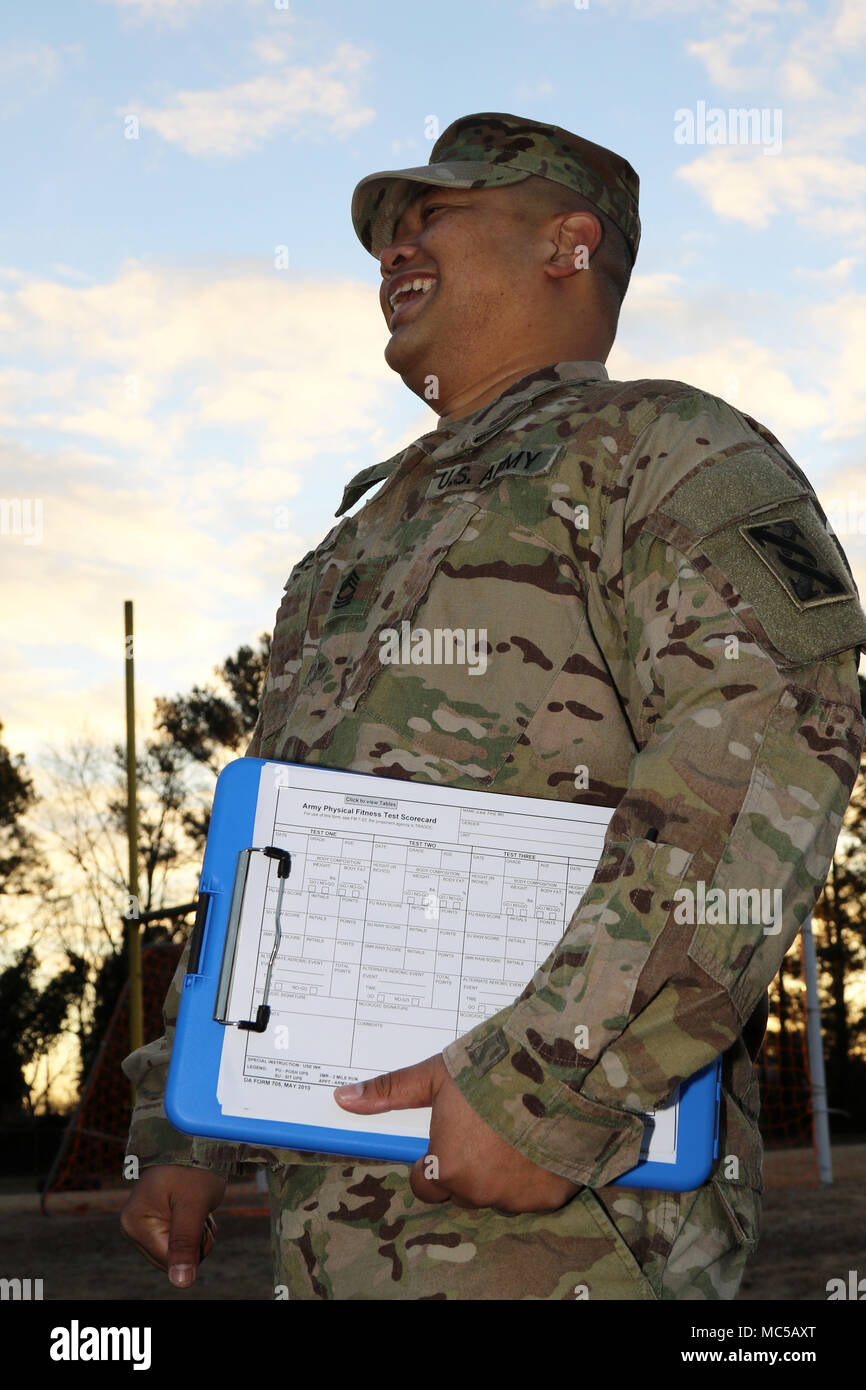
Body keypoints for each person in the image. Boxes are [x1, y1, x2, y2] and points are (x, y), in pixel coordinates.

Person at [121, 112, 866, 1300]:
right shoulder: (352, 542)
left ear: (567, 246)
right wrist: (185, 1128)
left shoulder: (659, 450)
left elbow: (768, 743)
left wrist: (542, 1088)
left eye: (434, 216)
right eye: (386, 235)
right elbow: (268, 857)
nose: (392, 251)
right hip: (331, 1242)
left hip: (572, 1237)